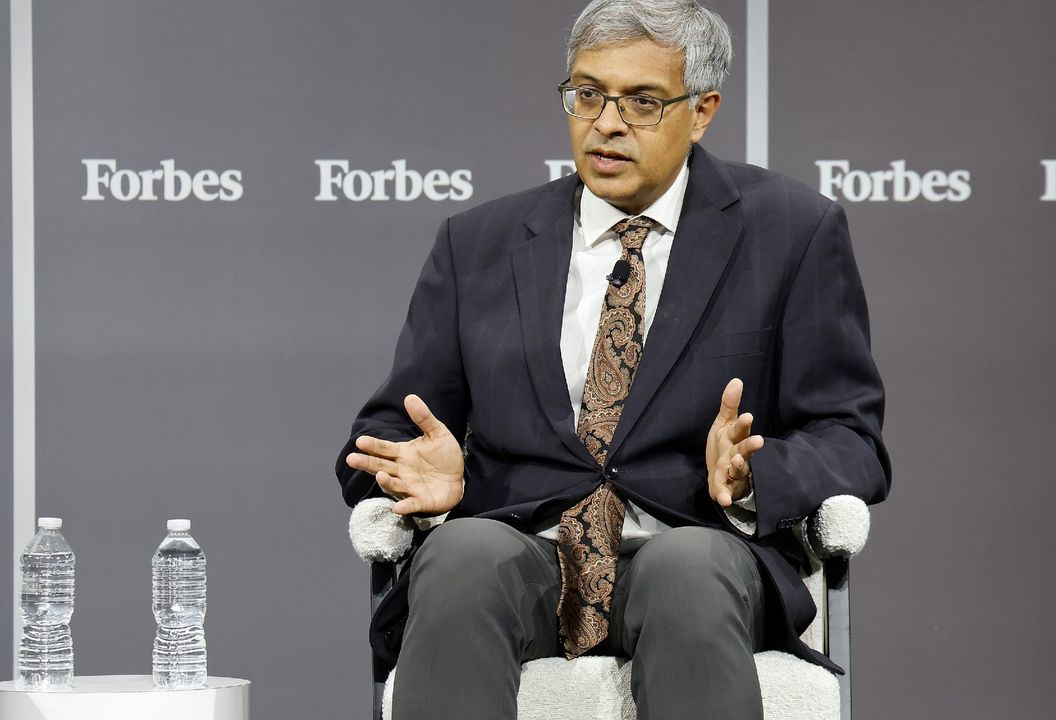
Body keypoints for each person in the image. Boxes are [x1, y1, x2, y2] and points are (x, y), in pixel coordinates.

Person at [336, 1, 890, 718]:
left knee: (684, 565)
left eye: (643, 101)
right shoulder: (479, 243)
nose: (606, 122)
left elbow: (852, 439)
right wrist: (429, 476)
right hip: (526, 555)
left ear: (703, 111)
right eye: (587, 94)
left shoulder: (791, 232)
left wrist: (758, 475)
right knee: (464, 556)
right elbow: (382, 436)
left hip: (701, 554)